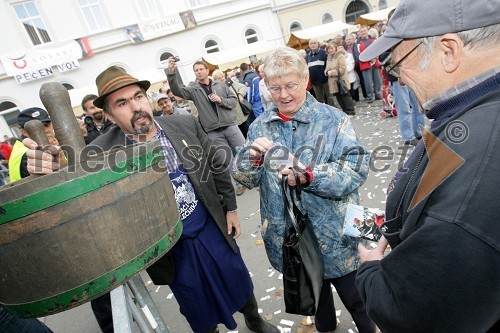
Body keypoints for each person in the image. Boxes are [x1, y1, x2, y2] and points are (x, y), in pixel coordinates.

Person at [24, 66, 278, 333]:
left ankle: (253, 318)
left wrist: (231, 209)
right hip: (169, 247)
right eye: (122, 103)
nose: (135, 107)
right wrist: (48, 168)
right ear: (109, 115)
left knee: (235, 276)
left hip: (209, 225)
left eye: (138, 96)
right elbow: (74, 182)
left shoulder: (183, 124)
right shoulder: (100, 152)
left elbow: (216, 165)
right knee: (195, 301)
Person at [356, 0, 500, 332]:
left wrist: (372, 270)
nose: (400, 80)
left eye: (398, 63)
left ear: (449, 51)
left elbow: (413, 314)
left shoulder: (475, 175)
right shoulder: (474, 113)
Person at [233, 47, 374, 333]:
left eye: (290, 85)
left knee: (359, 301)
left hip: (340, 233)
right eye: (275, 88)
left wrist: (310, 175)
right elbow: (244, 178)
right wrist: (249, 160)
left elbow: (355, 169)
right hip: (294, 237)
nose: (284, 95)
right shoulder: (260, 126)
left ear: (305, 81)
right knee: (317, 303)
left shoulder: (333, 119)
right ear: (266, 87)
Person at [166, 58, 247, 196]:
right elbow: (177, 91)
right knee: (227, 160)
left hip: (230, 126)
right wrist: (171, 73)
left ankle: (253, 176)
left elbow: (233, 101)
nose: (199, 72)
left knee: (245, 152)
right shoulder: (193, 89)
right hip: (213, 132)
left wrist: (221, 100)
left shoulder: (220, 85)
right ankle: (240, 184)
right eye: (196, 70)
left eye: (201, 69)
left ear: (207, 70)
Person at [8, 107, 56, 183]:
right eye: (38, 128)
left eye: (47, 125)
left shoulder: (20, 148)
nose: (46, 131)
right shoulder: (28, 155)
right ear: (24, 132)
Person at [211, 69, 250, 138]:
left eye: (222, 76)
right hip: (230, 119)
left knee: (248, 133)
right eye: (219, 78)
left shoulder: (228, 82)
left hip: (240, 114)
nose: (222, 79)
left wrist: (240, 94)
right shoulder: (215, 89)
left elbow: (243, 87)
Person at [325, 42, 356, 116]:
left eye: (332, 48)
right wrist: (326, 72)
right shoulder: (329, 57)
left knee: (345, 96)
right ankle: (345, 112)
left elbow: (342, 69)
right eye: (329, 49)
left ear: (335, 48)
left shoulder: (340, 56)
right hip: (333, 82)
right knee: (339, 97)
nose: (330, 50)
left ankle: (351, 112)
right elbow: (327, 68)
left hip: (341, 80)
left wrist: (331, 73)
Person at [358, 26, 382, 103]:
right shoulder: (358, 43)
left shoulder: (373, 40)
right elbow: (358, 54)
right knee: (367, 82)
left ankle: (378, 94)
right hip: (365, 64)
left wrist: (374, 58)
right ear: (359, 33)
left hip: (375, 62)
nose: (363, 32)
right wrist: (369, 58)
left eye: (364, 30)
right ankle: (370, 96)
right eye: (361, 31)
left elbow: (378, 50)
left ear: (367, 31)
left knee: (377, 80)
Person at [306, 38, 333, 105]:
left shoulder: (323, 52)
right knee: (319, 99)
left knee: (329, 97)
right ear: (309, 45)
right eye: (311, 44)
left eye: (314, 43)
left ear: (318, 44)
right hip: (315, 82)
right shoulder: (307, 56)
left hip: (325, 80)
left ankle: (333, 111)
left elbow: (328, 65)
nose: (313, 45)